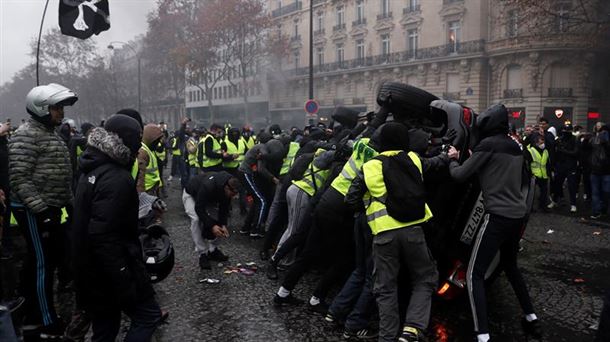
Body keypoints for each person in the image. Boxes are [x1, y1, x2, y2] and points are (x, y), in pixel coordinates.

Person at [345, 122, 456, 342]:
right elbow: (436, 163)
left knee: (385, 287)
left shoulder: (370, 166)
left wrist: (368, 208)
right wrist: (450, 154)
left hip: (384, 235)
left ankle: (387, 337)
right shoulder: (413, 158)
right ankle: (412, 329)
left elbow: (350, 199)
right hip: (415, 232)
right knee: (425, 278)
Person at [449, 104, 542, 342]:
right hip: (516, 216)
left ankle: (483, 335)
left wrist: (452, 159)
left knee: (473, 275)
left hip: (497, 218)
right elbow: (498, 172)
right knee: (510, 266)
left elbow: (459, 176)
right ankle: (532, 317)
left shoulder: (488, 145)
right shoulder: (515, 145)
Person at [70, 114, 162, 341]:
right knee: (148, 315)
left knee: (105, 327)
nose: (140, 143)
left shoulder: (92, 166)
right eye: (137, 138)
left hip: (90, 268)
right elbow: (104, 236)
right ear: (127, 139)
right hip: (111, 269)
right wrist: (123, 276)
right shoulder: (116, 177)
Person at [9, 83, 77, 338]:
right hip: (33, 211)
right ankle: (45, 320)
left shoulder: (49, 133)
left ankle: (29, 311)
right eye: (56, 107)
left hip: (52, 209)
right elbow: (20, 177)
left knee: (47, 261)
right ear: (41, 108)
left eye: (61, 107)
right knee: (42, 265)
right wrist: (40, 210)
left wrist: (68, 204)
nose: (60, 112)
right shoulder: (27, 135)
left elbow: (59, 174)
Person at [182, 172, 241, 270]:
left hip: (209, 197)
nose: (234, 197)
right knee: (196, 219)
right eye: (233, 194)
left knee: (218, 222)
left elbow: (224, 208)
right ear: (227, 188)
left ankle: (213, 250)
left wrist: (223, 224)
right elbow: (199, 208)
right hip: (191, 194)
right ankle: (202, 254)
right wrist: (212, 226)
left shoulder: (229, 185)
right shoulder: (208, 186)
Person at [239, 133, 285, 238]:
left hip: (247, 173)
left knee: (257, 201)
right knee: (262, 201)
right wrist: (273, 178)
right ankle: (256, 229)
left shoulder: (261, 147)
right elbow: (261, 169)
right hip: (246, 173)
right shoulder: (263, 149)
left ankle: (246, 227)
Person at [548, 123, 579, 212]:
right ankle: (554, 201)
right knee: (557, 184)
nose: (566, 132)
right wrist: (553, 165)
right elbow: (554, 153)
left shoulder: (574, 139)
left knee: (572, 186)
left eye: (567, 131)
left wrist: (563, 151)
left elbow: (575, 153)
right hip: (561, 165)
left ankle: (573, 204)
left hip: (571, 166)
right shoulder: (559, 140)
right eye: (565, 131)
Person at [524, 133, 551, 212]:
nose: (542, 144)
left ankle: (543, 207)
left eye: (543, 142)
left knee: (544, 193)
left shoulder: (545, 151)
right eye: (541, 142)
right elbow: (528, 164)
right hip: (534, 175)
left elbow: (547, 163)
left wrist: (549, 173)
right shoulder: (530, 151)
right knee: (531, 193)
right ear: (536, 142)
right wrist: (530, 174)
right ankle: (530, 208)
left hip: (543, 175)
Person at [137, 124, 164, 196]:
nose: (158, 143)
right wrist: (142, 195)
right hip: (146, 190)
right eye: (156, 141)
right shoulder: (143, 152)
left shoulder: (150, 149)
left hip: (153, 188)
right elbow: (139, 177)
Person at [590, 122, 610, 219]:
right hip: (597, 170)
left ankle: (602, 210)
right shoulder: (594, 139)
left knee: (604, 192)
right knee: (597, 192)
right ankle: (597, 211)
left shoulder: (600, 139)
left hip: (604, 170)